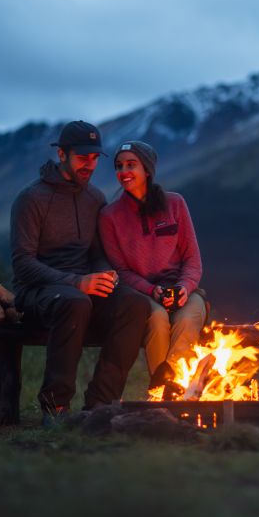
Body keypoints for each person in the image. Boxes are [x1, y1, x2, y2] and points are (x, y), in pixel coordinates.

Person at [10, 121, 151, 425]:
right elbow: (23, 263)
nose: (90, 164)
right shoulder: (31, 198)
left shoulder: (94, 199)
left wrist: (104, 274)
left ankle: (100, 405)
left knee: (135, 304)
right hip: (37, 291)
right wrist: (76, 282)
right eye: (82, 157)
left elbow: (97, 255)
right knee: (75, 302)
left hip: (82, 289)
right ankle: (55, 407)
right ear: (62, 154)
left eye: (95, 158)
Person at [98, 141, 206, 397]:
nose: (123, 171)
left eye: (131, 165)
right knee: (157, 321)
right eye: (119, 166)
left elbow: (193, 260)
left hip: (181, 288)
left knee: (188, 318)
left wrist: (184, 288)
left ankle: (169, 393)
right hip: (142, 293)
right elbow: (121, 271)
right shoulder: (110, 216)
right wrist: (151, 290)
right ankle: (164, 394)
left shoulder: (175, 204)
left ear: (146, 169)